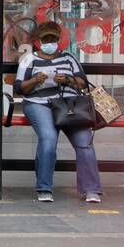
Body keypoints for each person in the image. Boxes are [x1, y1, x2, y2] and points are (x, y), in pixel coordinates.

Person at [14, 20, 102, 204]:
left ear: (59, 40)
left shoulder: (69, 58)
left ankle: (91, 189)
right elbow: (19, 88)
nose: (49, 43)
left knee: (84, 141)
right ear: (39, 41)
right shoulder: (29, 59)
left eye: (53, 39)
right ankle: (44, 188)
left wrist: (68, 80)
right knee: (48, 138)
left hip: (68, 105)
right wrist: (35, 80)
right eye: (46, 39)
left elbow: (83, 83)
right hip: (39, 103)